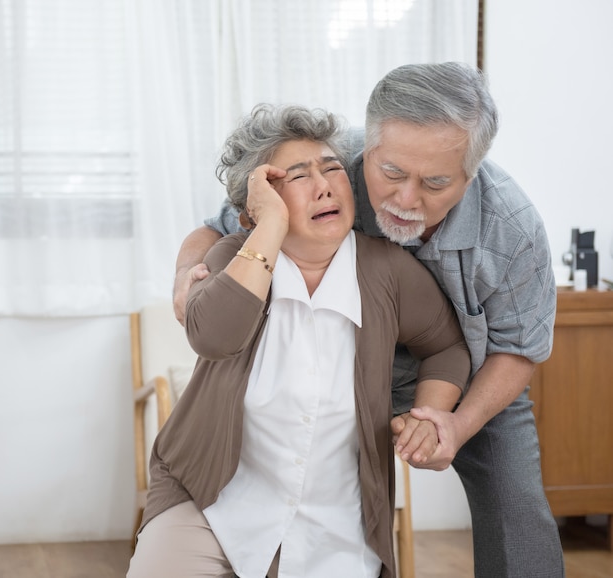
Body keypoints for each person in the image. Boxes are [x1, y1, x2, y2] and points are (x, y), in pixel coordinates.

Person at [172, 62, 565, 577]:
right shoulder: (329, 167)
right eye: (391, 173)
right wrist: (185, 273)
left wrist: (453, 422)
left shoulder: (512, 230)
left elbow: (518, 349)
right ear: (368, 148)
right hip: (343, 370)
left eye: (436, 183)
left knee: (517, 509)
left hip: (468, 378)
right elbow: (216, 227)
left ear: (473, 172)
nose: (405, 200)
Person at [128, 103, 471, 578]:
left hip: (337, 517)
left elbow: (446, 346)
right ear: (260, 199)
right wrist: (268, 226)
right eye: (298, 176)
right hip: (210, 500)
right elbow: (213, 336)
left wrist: (429, 415)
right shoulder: (236, 255)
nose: (325, 185)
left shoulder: (388, 270)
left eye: (332, 169)